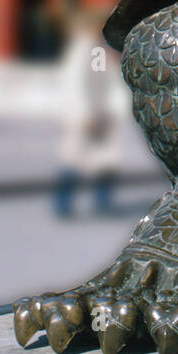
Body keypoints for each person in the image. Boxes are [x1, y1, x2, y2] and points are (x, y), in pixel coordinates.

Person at [53, 12, 123, 217]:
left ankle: (103, 201)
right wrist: (85, 113)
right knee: (73, 157)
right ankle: (63, 202)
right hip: (82, 115)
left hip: (101, 114)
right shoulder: (82, 49)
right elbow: (75, 84)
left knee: (104, 160)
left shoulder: (98, 51)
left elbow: (106, 81)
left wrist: (110, 108)